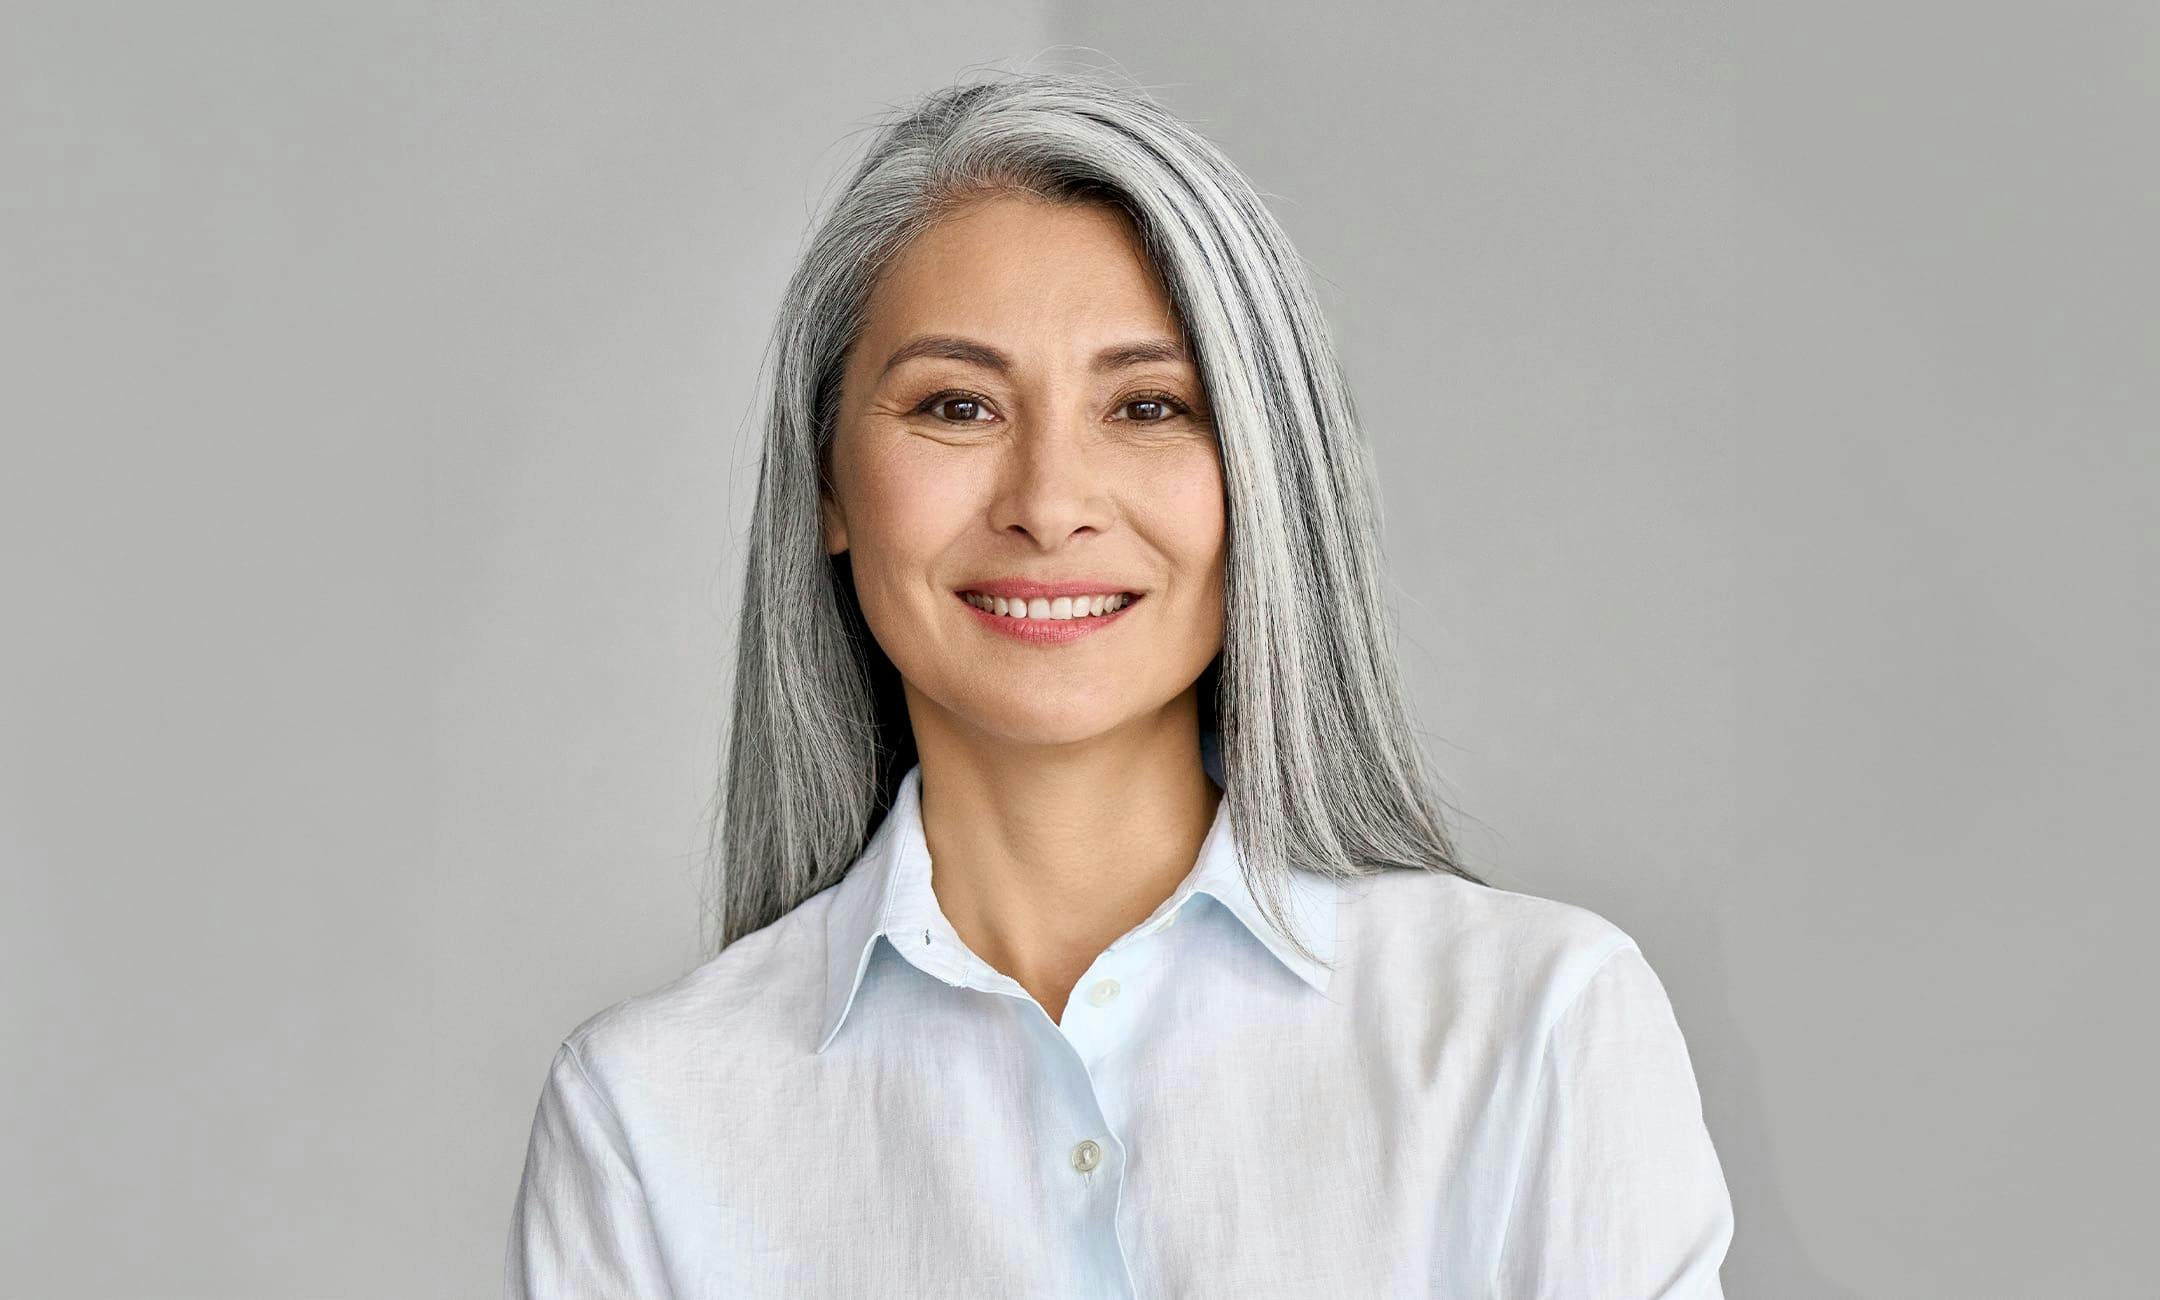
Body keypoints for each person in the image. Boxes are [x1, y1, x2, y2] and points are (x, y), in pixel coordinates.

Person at [504, 71, 1733, 1298]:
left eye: (1149, 406)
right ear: (828, 482)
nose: (1048, 505)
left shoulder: (1538, 1032)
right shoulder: (645, 1123)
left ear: (1264, 473)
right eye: (958, 405)